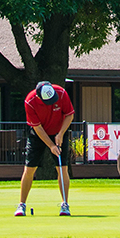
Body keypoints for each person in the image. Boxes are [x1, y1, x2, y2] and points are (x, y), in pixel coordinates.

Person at [16, 80, 74, 217]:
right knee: (29, 169)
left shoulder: (60, 93)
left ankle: (65, 204)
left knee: (62, 168)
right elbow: (37, 128)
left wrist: (60, 134)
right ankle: (21, 205)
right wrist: (51, 146)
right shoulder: (30, 101)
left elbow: (69, 114)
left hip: (59, 131)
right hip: (38, 134)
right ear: (39, 97)